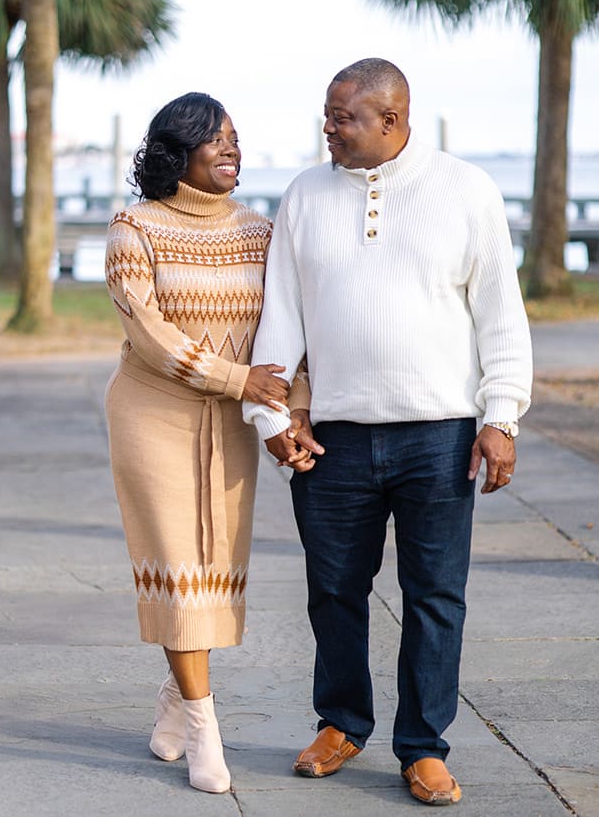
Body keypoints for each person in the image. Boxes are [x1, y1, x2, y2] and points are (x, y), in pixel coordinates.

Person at [244, 58, 533, 807]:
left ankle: (424, 747)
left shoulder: (467, 189)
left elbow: (501, 313)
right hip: (334, 437)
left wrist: (500, 417)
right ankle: (341, 723)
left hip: (440, 435)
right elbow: (282, 312)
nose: (328, 128)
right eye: (327, 114)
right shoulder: (304, 194)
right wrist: (271, 415)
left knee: (435, 594)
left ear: (391, 120)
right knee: (333, 589)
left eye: (342, 117)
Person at [103, 92, 310, 794]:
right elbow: (149, 335)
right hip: (152, 416)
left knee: (213, 569)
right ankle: (203, 728)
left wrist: (291, 408)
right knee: (176, 566)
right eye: (215, 138)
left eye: (235, 138)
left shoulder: (261, 232)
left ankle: (174, 694)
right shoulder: (135, 228)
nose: (231, 149)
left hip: (231, 423)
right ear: (177, 150)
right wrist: (236, 378)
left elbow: (288, 330)